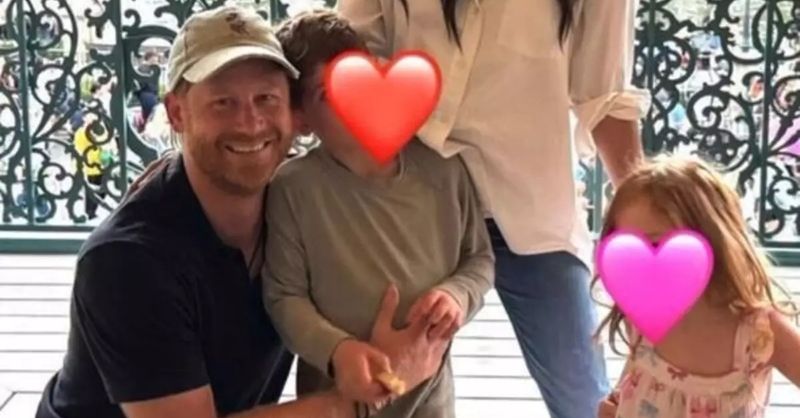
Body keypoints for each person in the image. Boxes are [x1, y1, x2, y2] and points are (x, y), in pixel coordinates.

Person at [35, 6, 448, 418]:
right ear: (177, 113)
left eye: (266, 98)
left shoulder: (294, 202)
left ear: (294, 113)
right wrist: (374, 390)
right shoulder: (127, 262)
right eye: (223, 103)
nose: (250, 124)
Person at [337, 1, 651, 417]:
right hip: (409, 202)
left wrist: (651, 215)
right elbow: (351, 54)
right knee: (387, 389)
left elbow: (605, 94)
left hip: (532, 207)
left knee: (581, 395)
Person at [265, 9, 494, 417]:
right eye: (328, 93)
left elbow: (478, 258)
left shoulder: (444, 169)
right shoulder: (294, 189)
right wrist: (338, 349)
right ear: (300, 119)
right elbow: (284, 297)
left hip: (431, 401)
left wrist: (457, 295)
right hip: (338, 402)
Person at [594, 155, 800, 417]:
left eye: (656, 244)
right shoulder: (639, 318)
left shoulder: (760, 332)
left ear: (715, 240)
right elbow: (636, 384)